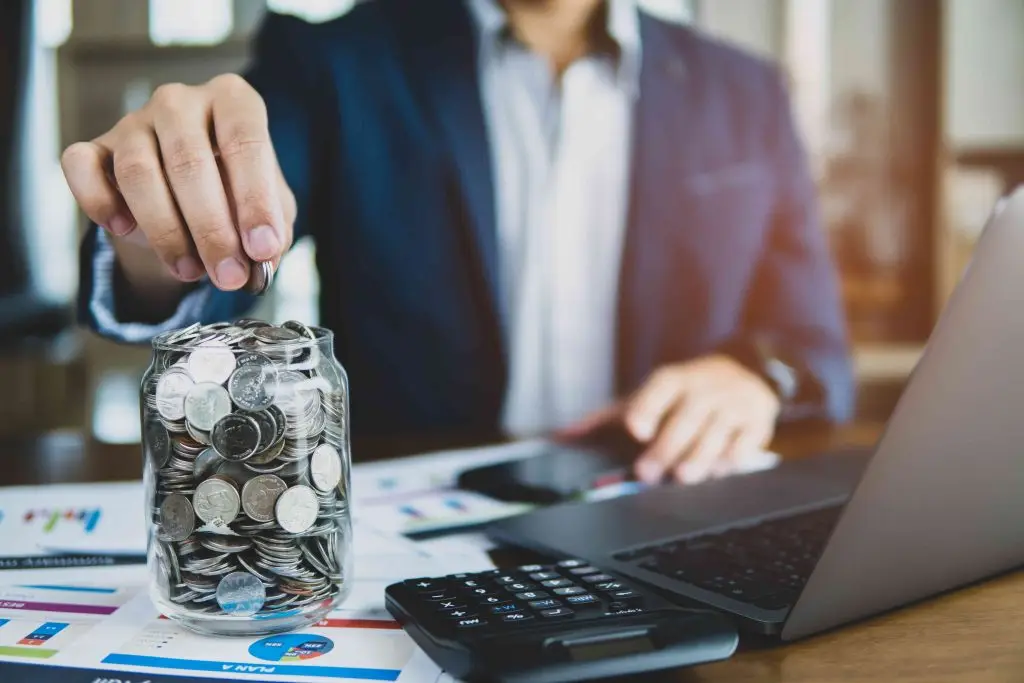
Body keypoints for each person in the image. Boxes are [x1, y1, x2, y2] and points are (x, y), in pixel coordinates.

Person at [64, 0, 854, 485]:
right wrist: (155, 214)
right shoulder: (336, 62)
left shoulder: (744, 90)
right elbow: (220, 263)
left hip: (671, 500)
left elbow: (813, 345)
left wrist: (756, 376)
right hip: (413, 535)